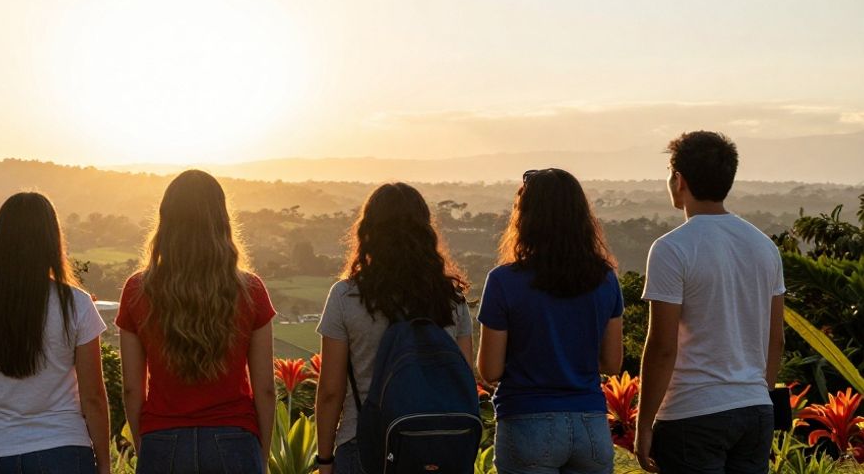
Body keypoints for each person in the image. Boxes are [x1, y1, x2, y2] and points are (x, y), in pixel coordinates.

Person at [636, 132, 785, 474]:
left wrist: (644, 424)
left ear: (679, 180)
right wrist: (759, 396)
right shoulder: (764, 247)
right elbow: (775, 339)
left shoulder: (672, 248)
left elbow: (662, 346)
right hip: (754, 410)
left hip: (692, 414)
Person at [116, 170, 276, 474]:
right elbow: (265, 389)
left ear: (166, 222)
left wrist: (146, 446)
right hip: (235, 440)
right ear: (221, 222)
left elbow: (132, 390)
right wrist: (261, 456)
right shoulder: (250, 289)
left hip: (162, 439)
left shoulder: (138, 290)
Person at [313, 182, 474, 474]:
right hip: (434, 448)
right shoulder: (451, 299)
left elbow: (330, 392)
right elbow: (462, 376)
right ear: (425, 231)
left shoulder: (346, 296)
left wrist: (324, 460)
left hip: (362, 445)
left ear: (368, 232)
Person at [475, 168, 624, 474]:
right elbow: (611, 363)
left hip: (526, 422)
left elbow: (490, 370)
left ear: (525, 218)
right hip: (591, 424)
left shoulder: (503, 281)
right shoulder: (605, 279)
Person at [0, 192, 111, 474]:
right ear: (52, 240)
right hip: (64, 450)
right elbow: (93, 398)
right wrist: (103, 463)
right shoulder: (75, 303)